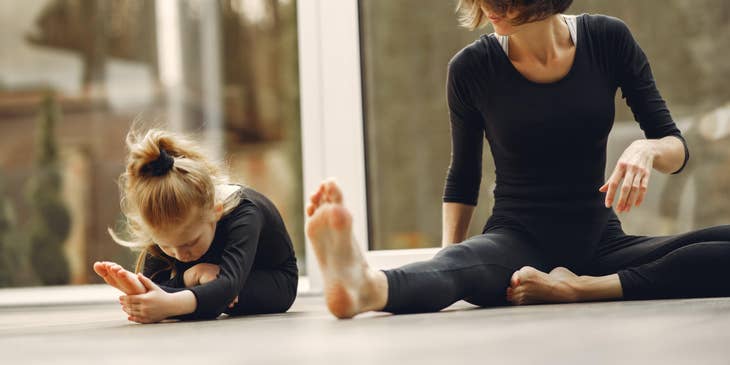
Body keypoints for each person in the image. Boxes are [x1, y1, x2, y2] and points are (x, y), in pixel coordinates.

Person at [305, 0, 730, 319]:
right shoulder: (471, 68)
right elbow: (463, 177)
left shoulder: (608, 40)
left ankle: (583, 290)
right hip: (516, 243)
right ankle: (364, 286)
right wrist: (447, 266)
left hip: (602, 243)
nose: (488, 5)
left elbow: (674, 148)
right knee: (458, 266)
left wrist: (645, 148)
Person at [94, 128, 298, 323]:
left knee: (214, 296)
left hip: (271, 281)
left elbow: (228, 288)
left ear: (215, 211)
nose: (180, 255)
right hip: (216, 281)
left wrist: (168, 302)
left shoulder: (245, 213)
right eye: (166, 246)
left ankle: (181, 301)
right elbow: (159, 284)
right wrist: (190, 277)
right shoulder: (165, 222)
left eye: (189, 243)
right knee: (186, 294)